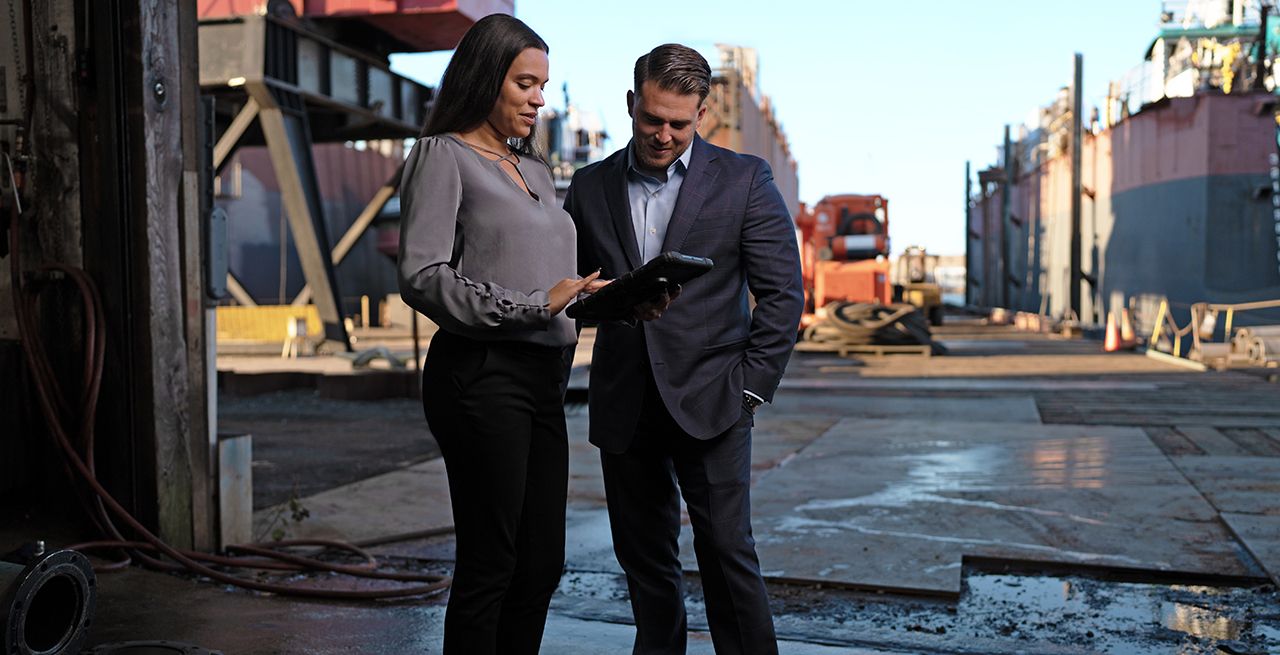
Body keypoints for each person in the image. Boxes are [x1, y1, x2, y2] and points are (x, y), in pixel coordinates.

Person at [563, 44, 805, 655]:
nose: (664, 135)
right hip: (625, 402)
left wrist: (750, 387)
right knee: (645, 565)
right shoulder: (590, 187)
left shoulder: (744, 179)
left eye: (679, 122)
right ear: (631, 105)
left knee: (727, 553)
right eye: (652, 120)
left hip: (714, 397)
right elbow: (572, 292)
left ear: (701, 114)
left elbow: (782, 293)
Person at [396, 14, 600, 655]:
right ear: (487, 79)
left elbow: (549, 281)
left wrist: (610, 304)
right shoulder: (442, 156)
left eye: (543, 85)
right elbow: (423, 276)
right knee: (493, 563)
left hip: (545, 381)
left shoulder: (534, 170)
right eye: (525, 83)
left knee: (542, 562)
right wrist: (533, 306)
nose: (539, 98)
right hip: (482, 377)